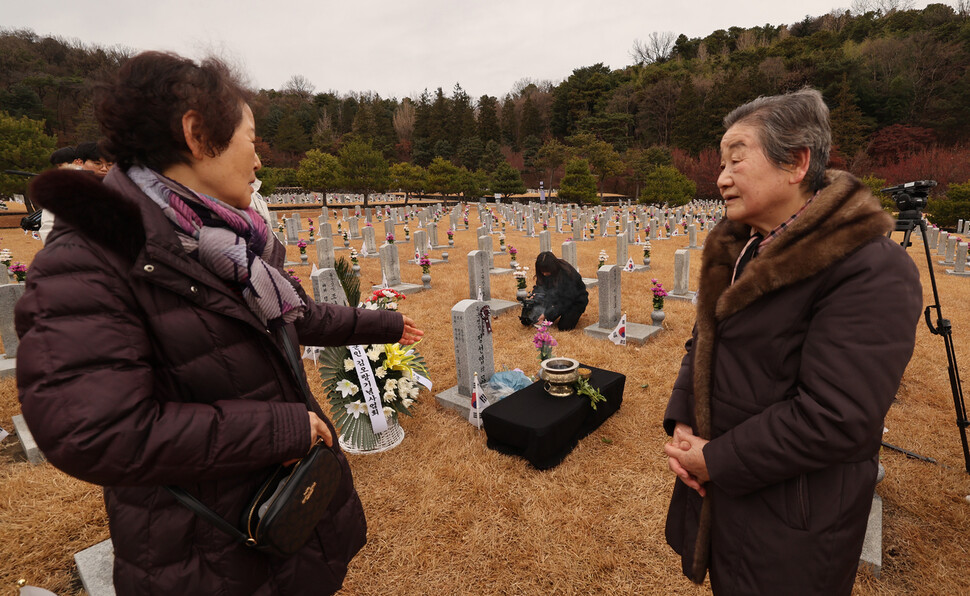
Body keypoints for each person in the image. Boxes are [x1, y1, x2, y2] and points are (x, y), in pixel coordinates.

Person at [17, 51, 423, 595]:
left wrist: (385, 324)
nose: (260, 161)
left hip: (281, 514)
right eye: (251, 140)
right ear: (197, 133)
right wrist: (278, 428)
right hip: (204, 550)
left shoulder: (223, 243)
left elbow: (291, 317)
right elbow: (92, 431)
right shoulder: (90, 259)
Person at [662, 88, 921, 595]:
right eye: (721, 162)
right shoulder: (742, 247)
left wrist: (714, 460)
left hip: (794, 513)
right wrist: (686, 422)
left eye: (737, 158)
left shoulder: (869, 268)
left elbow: (836, 414)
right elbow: (704, 342)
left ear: (797, 163)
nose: (721, 177)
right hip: (728, 492)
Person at [520, 251, 588, 330]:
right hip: (554, 300)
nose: (544, 274)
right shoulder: (543, 273)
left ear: (553, 267)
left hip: (574, 301)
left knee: (564, 327)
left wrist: (546, 314)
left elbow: (566, 300)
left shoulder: (567, 274)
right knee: (532, 320)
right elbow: (540, 286)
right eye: (542, 271)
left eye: (546, 271)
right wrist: (535, 295)